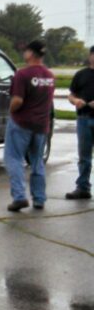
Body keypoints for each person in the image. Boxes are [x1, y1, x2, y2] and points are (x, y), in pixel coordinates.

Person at [4, 39, 55, 212]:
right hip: (41, 125)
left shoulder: (23, 75)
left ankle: (19, 197)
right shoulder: (49, 76)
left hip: (21, 123)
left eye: (25, 50)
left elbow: (17, 100)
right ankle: (39, 198)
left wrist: (10, 111)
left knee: (14, 158)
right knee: (37, 161)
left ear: (31, 53)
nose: (24, 53)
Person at [66, 46, 94, 200]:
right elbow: (70, 95)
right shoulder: (81, 74)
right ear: (90, 56)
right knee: (84, 156)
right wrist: (75, 101)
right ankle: (83, 187)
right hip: (83, 119)